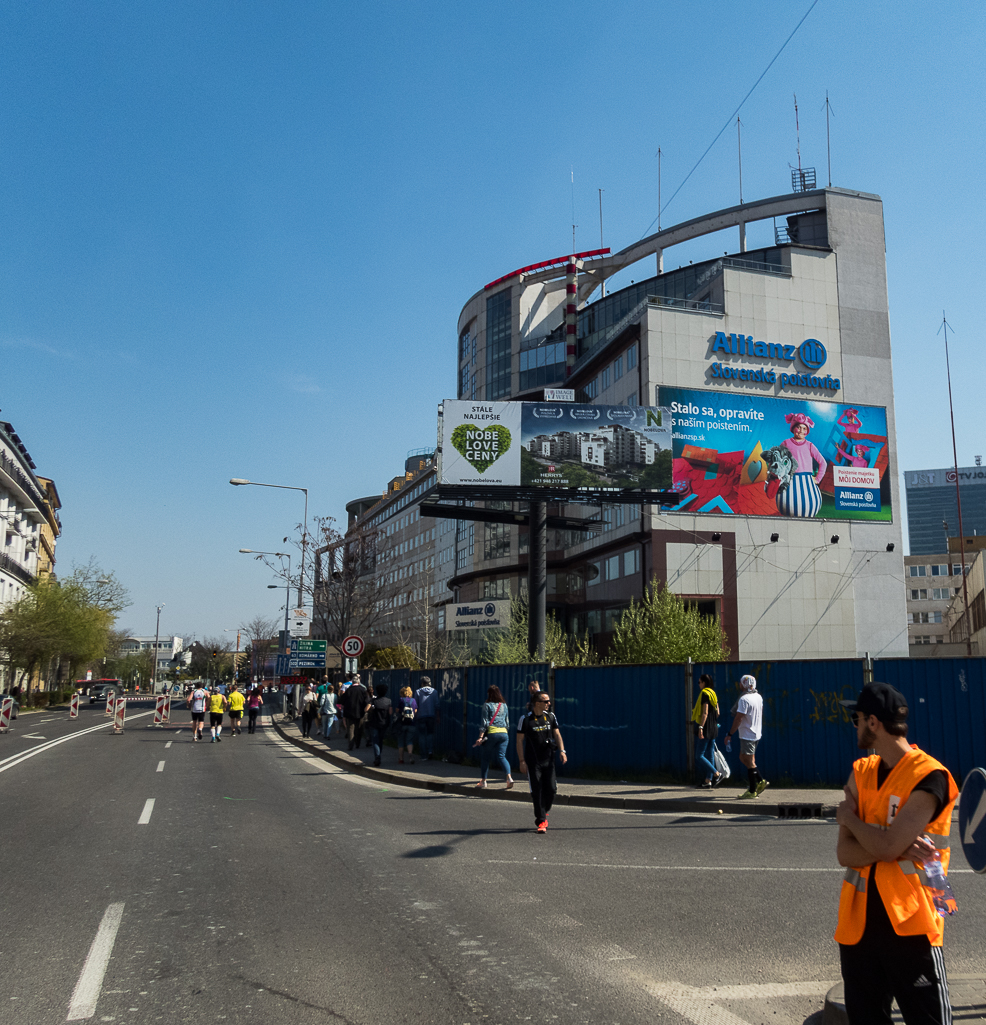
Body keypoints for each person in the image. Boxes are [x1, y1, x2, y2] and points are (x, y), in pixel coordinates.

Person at [835, 682, 958, 1025]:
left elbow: (883, 846)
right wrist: (893, 845)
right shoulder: (862, 772)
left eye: (856, 718)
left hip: (913, 926)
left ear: (872, 722)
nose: (855, 725)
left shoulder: (931, 776)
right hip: (859, 928)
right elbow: (844, 853)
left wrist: (850, 820)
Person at [516, 692, 567, 833]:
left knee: (551, 789)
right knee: (537, 790)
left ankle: (544, 809)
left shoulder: (551, 716)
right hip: (533, 761)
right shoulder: (525, 719)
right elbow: (519, 741)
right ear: (537, 703)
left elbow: (557, 734)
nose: (549, 703)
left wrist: (562, 751)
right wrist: (522, 761)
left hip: (549, 759)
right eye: (546, 701)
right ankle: (541, 820)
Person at [776, 412, 827, 518]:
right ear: (793, 428)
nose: (801, 431)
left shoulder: (810, 445)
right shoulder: (786, 443)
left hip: (807, 482)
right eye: (798, 427)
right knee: (787, 504)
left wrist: (817, 479)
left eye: (804, 428)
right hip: (790, 480)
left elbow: (823, 463)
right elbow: (777, 460)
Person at [724, 674, 767, 799]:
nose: (739, 684)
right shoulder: (758, 696)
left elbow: (738, 718)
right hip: (756, 733)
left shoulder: (744, 699)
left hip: (747, 734)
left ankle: (753, 789)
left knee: (748, 762)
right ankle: (760, 781)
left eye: (741, 683)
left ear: (744, 684)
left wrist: (730, 734)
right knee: (744, 758)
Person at [474, 685, 514, 789]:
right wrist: (504, 732)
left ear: (489, 694)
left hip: (492, 733)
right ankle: (509, 778)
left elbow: (484, 722)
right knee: (502, 757)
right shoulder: (504, 705)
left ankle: (483, 781)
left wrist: (480, 737)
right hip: (504, 734)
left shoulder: (487, 705)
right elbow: (507, 722)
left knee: (486, 758)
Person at [691, 674, 723, 789]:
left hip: (706, 727)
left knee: (699, 755)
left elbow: (704, 712)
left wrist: (700, 727)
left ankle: (716, 774)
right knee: (709, 755)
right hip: (714, 726)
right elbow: (718, 712)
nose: (699, 684)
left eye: (699, 682)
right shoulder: (713, 693)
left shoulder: (705, 694)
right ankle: (708, 781)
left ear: (704, 683)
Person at [366, 683, 392, 767]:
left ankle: (377, 757)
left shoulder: (373, 701)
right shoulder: (388, 701)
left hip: (374, 723)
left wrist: (371, 710)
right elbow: (390, 712)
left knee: (375, 741)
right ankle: (379, 754)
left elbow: (366, 709)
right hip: (384, 723)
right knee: (380, 740)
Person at [414, 676, 439, 760]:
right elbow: (437, 705)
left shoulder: (417, 692)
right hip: (431, 716)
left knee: (421, 735)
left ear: (422, 683)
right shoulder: (434, 692)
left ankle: (423, 755)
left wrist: (416, 715)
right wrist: (438, 716)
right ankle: (430, 751)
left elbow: (415, 706)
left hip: (421, 716)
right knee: (430, 734)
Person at [342, 673, 369, 750]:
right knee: (359, 728)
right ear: (359, 681)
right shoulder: (363, 690)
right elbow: (367, 701)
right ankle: (357, 743)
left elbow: (342, 700)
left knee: (350, 729)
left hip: (349, 712)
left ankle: (350, 745)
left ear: (352, 682)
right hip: (360, 712)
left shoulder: (349, 690)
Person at [395, 685, 417, 764]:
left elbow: (397, 710)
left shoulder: (401, 700)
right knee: (409, 741)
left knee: (401, 741)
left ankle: (401, 759)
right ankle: (410, 755)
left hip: (402, 724)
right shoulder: (413, 700)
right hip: (411, 723)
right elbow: (416, 711)